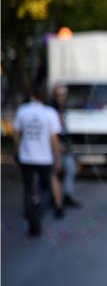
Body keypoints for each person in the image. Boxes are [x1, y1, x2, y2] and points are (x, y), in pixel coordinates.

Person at [13, 85, 63, 236]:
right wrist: (57, 158)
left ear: (32, 96)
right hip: (44, 158)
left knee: (28, 190)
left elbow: (16, 134)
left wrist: (17, 151)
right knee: (46, 190)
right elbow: (54, 139)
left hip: (26, 157)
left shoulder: (23, 111)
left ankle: (31, 217)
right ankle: (38, 213)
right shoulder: (50, 113)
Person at [49, 84, 81, 209]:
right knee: (55, 172)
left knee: (70, 169)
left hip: (64, 146)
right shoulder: (51, 109)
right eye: (58, 95)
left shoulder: (63, 108)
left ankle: (65, 196)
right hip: (55, 147)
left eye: (63, 95)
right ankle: (55, 200)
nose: (61, 98)